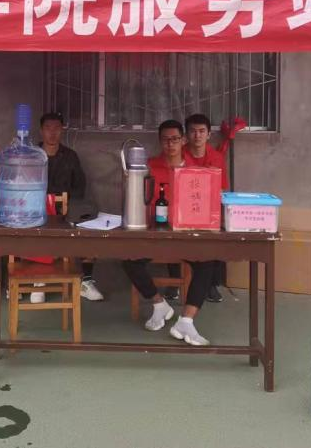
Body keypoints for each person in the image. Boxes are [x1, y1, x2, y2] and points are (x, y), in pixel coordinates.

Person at [121, 120, 216, 346]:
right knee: (128, 258)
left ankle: (186, 321)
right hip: (155, 234)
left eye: (175, 139)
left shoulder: (196, 169)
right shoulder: (149, 167)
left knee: (207, 262)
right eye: (165, 139)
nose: (170, 144)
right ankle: (158, 304)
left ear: (183, 140)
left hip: (185, 234)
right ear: (159, 142)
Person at [39, 111, 105, 302]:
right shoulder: (32, 154)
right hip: (38, 211)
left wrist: (69, 209)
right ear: (41, 130)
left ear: (62, 130)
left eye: (56, 128)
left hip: (66, 211)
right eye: (48, 128)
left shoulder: (70, 156)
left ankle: (86, 280)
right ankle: (37, 280)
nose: (52, 133)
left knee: (89, 230)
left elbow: (79, 187)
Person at [183, 113, 230, 304]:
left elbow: (221, 189)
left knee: (218, 235)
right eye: (193, 131)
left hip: (209, 209)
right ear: (186, 134)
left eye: (202, 131)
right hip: (183, 208)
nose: (197, 135)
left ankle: (212, 284)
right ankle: (174, 282)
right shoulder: (179, 154)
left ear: (209, 134)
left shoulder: (217, 157)